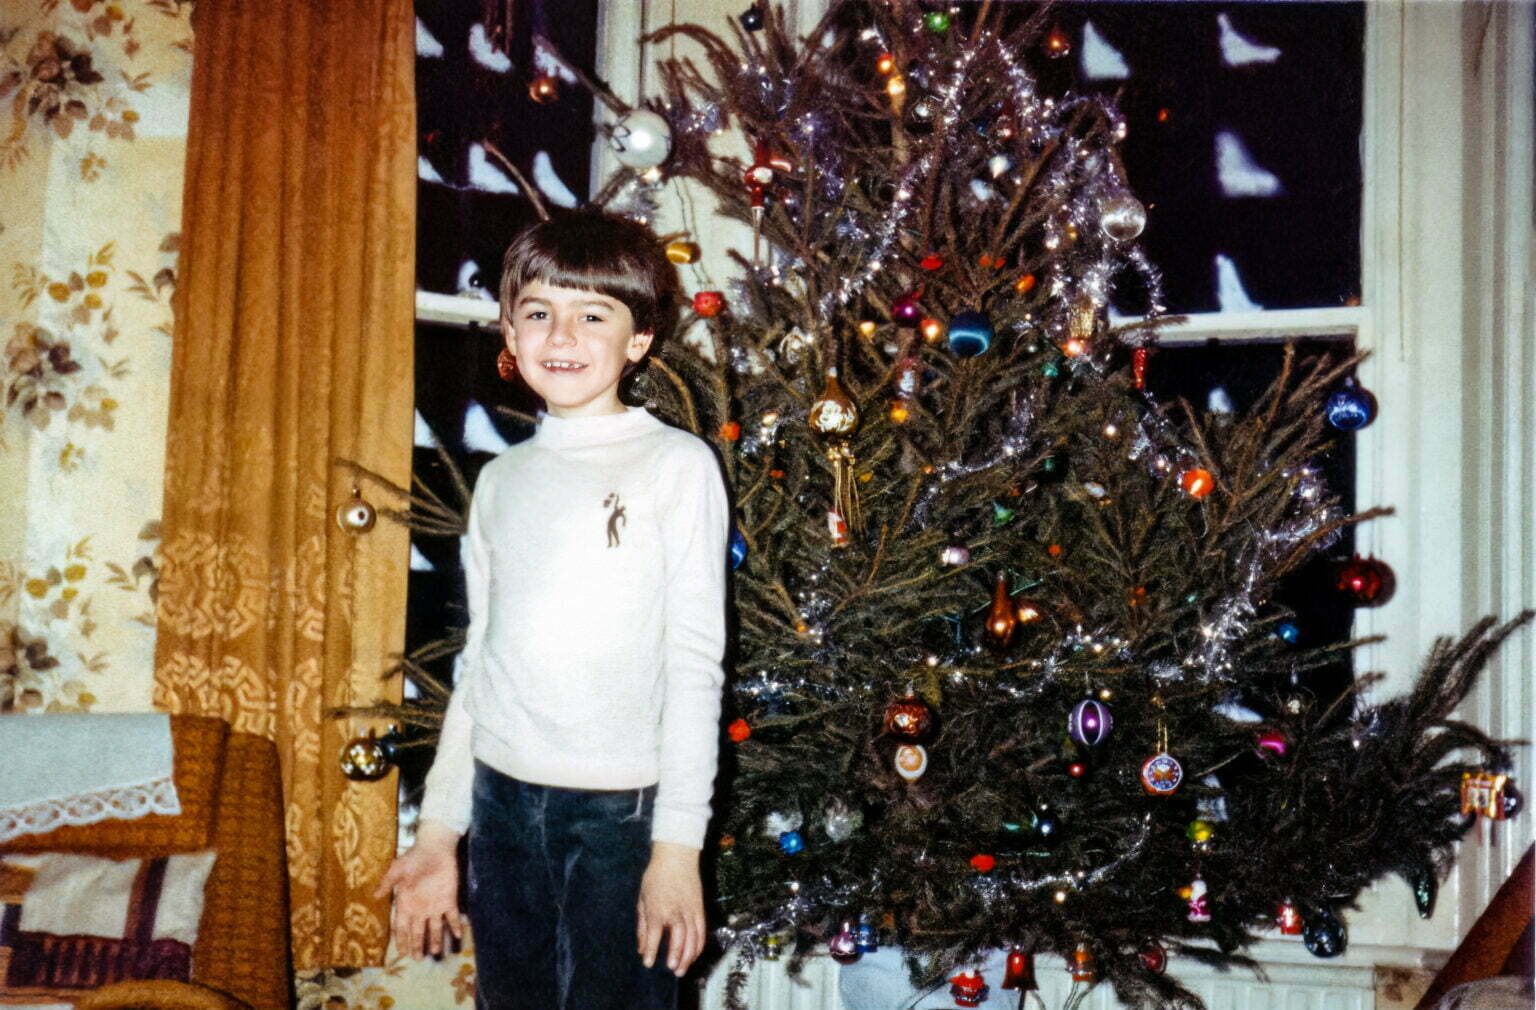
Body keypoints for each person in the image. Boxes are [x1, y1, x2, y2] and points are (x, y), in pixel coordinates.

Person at [374, 211, 730, 1010]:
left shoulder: (676, 466)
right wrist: (438, 837)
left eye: (592, 314)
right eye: (538, 312)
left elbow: (695, 665)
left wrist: (675, 849)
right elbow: (483, 665)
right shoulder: (503, 482)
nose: (560, 333)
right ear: (509, 328)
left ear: (637, 340)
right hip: (502, 806)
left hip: (621, 817)